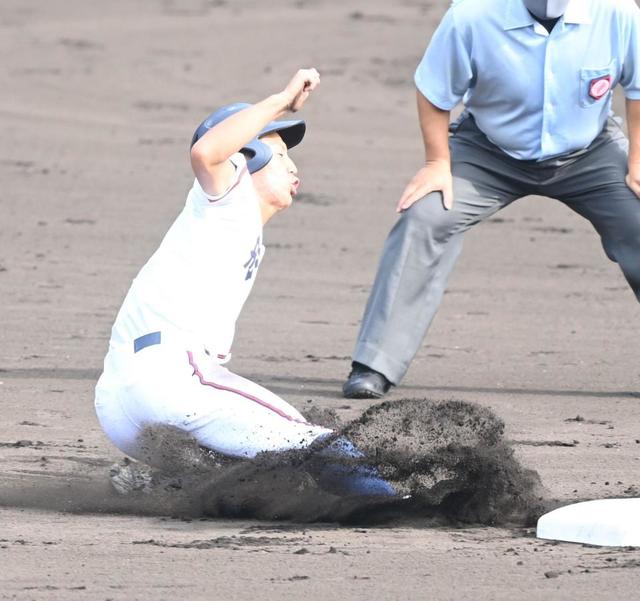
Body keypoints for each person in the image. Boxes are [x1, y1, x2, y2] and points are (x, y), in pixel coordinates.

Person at [94, 69, 395, 497]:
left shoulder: (231, 225)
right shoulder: (226, 197)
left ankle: (164, 481)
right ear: (246, 155)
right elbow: (206, 154)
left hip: (123, 406)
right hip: (170, 379)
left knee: (266, 469)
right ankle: (399, 505)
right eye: (279, 153)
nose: (293, 166)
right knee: (322, 446)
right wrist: (281, 100)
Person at [343, 0, 640, 399]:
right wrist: (436, 162)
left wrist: (637, 159)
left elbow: (637, 87)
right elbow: (435, 92)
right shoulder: (472, 14)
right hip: (488, 151)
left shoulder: (619, 13)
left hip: (590, 151)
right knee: (425, 217)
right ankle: (374, 364)